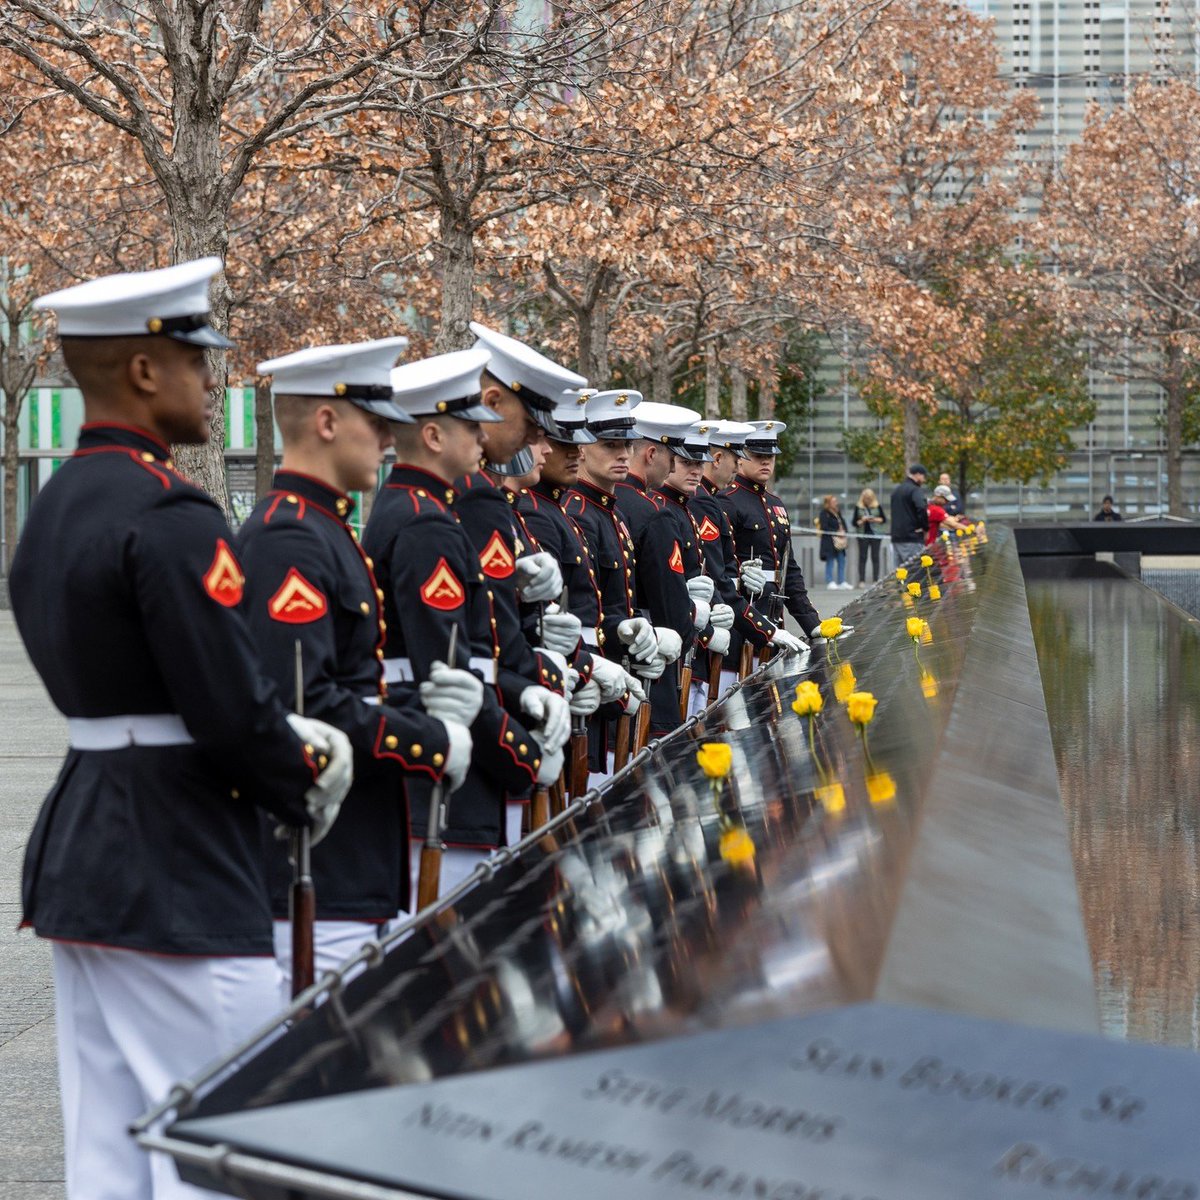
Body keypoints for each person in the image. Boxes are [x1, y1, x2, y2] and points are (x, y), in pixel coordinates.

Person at [10, 258, 354, 1200]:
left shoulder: (53, 508)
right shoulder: (168, 512)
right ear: (146, 372)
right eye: (199, 360)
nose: (215, 379)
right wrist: (306, 770)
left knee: (110, 1155)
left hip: (87, 850)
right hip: (180, 859)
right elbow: (228, 705)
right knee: (219, 1153)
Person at [237, 338, 484, 990]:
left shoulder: (324, 527)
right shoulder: (289, 536)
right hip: (317, 860)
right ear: (326, 423)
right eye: (377, 424)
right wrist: (432, 741)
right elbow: (304, 706)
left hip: (350, 859)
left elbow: (356, 686)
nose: (386, 439)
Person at [362, 348, 547, 902]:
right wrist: (521, 756)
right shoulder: (428, 526)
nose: (482, 438)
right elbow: (450, 676)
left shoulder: (417, 510)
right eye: (471, 426)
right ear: (436, 437)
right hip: (443, 788)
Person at [721, 420, 821, 644]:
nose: (765, 461)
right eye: (757, 455)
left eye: (771, 456)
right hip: (744, 620)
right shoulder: (727, 501)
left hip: (774, 616)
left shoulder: (775, 504)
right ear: (741, 456)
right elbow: (721, 564)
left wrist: (813, 624)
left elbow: (789, 571)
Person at [890, 463, 929, 565]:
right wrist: (925, 528)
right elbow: (921, 507)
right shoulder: (915, 490)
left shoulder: (896, 490)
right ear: (918, 475)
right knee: (913, 572)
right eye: (924, 477)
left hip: (896, 537)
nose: (924, 480)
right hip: (912, 537)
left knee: (900, 573)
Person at [852, 487, 886, 584]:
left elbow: (883, 519)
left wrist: (874, 519)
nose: (867, 500)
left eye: (869, 498)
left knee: (875, 557)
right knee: (863, 557)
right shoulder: (858, 507)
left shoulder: (877, 506)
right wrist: (862, 520)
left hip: (876, 534)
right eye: (866, 498)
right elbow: (854, 522)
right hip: (863, 534)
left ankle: (876, 579)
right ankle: (862, 580)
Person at [817, 493, 849, 589]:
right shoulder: (824, 513)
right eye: (834, 501)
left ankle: (842, 581)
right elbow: (824, 527)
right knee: (830, 561)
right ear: (828, 503)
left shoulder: (837, 512)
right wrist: (836, 532)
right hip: (829, 541)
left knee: (841, 560)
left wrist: (844, 531)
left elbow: (843, 524)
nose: (836, 503)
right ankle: (830, 581)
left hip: (839, 541)